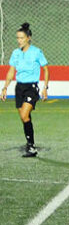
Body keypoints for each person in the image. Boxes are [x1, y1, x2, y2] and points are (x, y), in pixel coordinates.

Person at [1, 22, 49, 158]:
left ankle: (32, 147)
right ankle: (30, 143)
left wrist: (45, 88)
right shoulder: (15, 53)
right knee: (24, 117)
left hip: (31, 88)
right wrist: (5, 87)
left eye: (21, 38)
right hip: (19, 88)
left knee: (24, 115)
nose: (19, 41)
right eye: (17, 38)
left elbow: (45, 69)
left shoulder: (36, 52)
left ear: (28, 38)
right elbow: (11, 71)